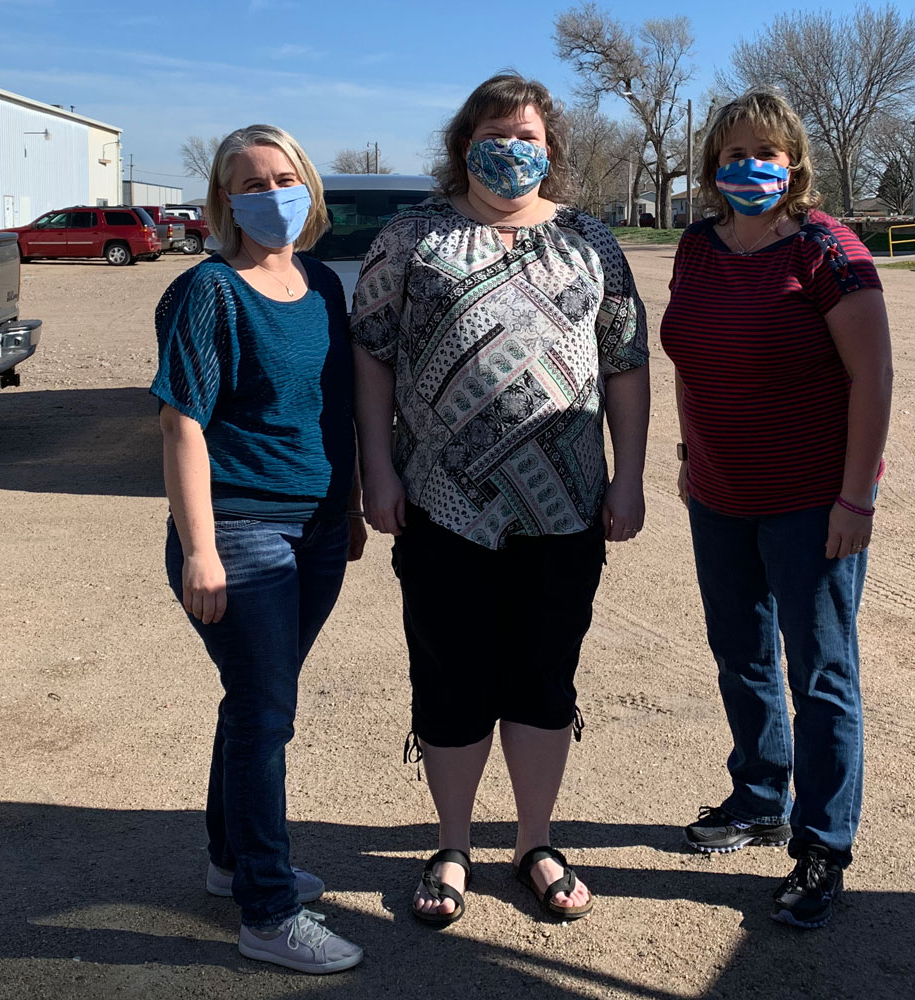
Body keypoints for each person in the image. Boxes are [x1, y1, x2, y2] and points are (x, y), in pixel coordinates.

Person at [351, 73, 650, 925]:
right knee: (450, 677)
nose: (510, 149)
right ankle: (451, 844)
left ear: (550, 146)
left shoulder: (592, 240)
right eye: (493, 134)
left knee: (543, 678)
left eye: (525, 135)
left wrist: (626, 476)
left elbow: (625, 363)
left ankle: (534, 841)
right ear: (463, 143)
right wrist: (378, 466)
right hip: (442, 503)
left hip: (565, 508)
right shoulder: (414, 236)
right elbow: (369, 352)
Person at [660, 91, 893, 929]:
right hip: (720, 496)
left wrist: (856, 497)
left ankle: (823, 844)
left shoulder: (829, 252)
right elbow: (691, 353)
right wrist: (692, 458)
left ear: (792, 160)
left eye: (764, 152)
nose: (746, 168)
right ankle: (760, 796)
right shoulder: (697, 246)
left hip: (810, 503)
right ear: (712, 167)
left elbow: (873, 377)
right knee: (741, 654)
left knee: (822, 675)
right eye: (730, 155)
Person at [151, 124, 365, 973]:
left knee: (253, 706)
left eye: (284, 176)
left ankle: (232, 861)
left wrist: (345, 507)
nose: (271, 192)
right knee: (266, 715)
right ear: (224, 200)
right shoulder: (208, 291)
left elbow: (336, 407)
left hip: (314, 528)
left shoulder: (319, 284)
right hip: (239, 532)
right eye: (250, 182)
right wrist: (199, 548)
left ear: (307, 185)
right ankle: (267, 913)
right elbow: (181, 423)